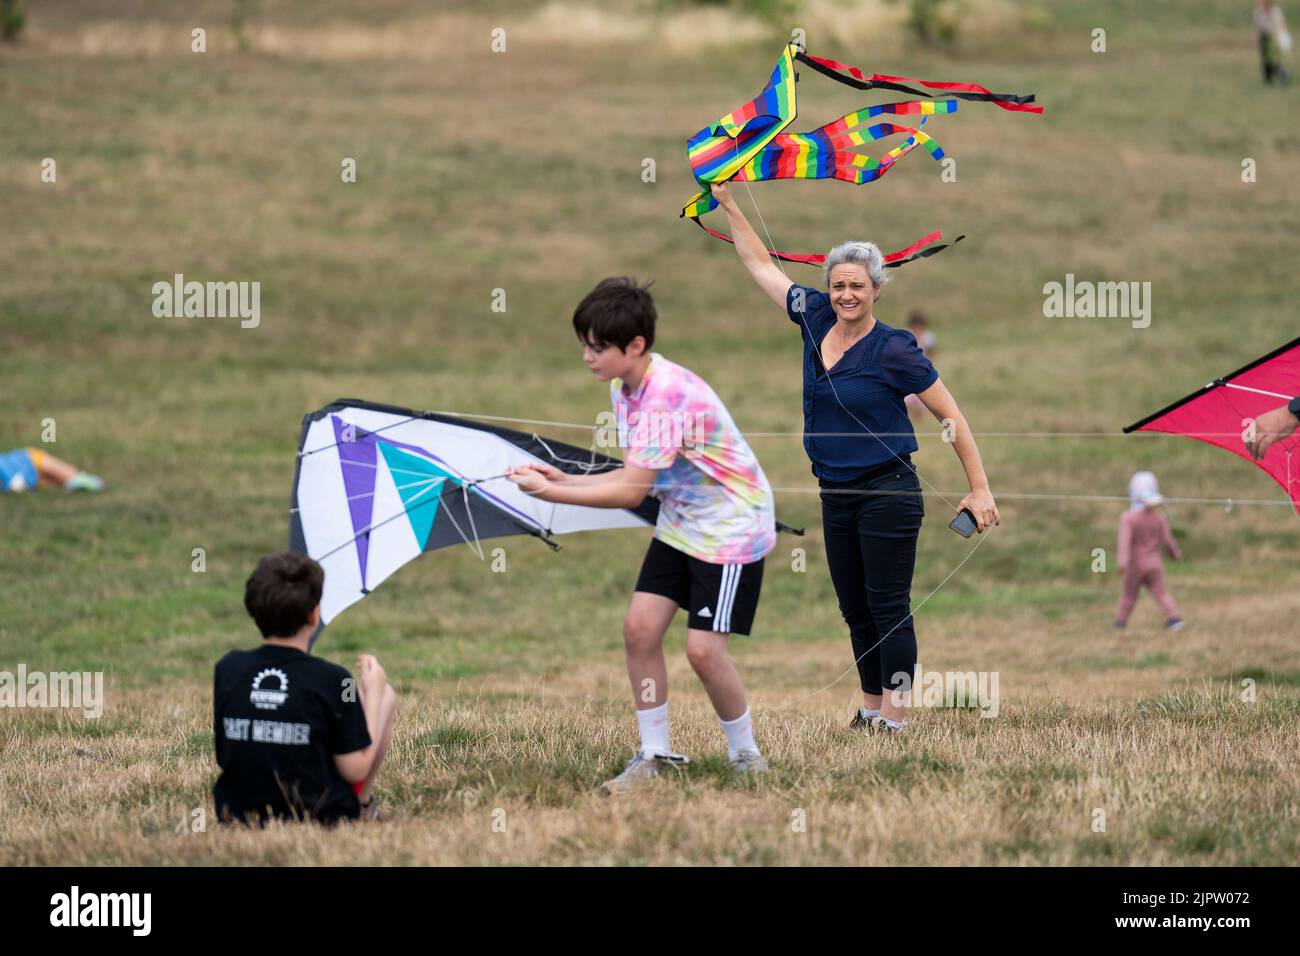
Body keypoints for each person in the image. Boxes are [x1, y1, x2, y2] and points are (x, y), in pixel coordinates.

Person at [711, 181, 999, 734]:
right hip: (834, 492)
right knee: (854, 608)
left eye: (857, 286)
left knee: (888, 607)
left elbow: (951, 417)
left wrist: (979, 486)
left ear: (876, 291)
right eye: (839, 285)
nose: (846, 294)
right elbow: (761, 266)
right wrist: (730, 206)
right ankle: (869, 709)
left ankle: (895, 717)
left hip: (888, 491)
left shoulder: (895, 349)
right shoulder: (813, 314)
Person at [507, 277, 776, 793]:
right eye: (583, 345)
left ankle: (747, 757)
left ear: (635, 346)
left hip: (730, 529)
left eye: (597, 347)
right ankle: (655, 754)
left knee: (703, 651)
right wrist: (565, 478)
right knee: (639, 631)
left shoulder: (664, 398)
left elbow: (632, 493)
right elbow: (643, 474)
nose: (587, 356)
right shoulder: (623, 387)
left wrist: (551, 494)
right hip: (682, 520)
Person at [213, 552, 397, 824]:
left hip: (237, 811)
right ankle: (361, 807)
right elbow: (355, 769)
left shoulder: (228, 668)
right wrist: (375, 691)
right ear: (314, 616)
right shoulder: (337, 679)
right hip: (319, 814)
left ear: (253, 610)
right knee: (386, 696)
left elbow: (225, 752)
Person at [1115, 472, 1184, 630]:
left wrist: (1122, 564)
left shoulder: (1128, 518)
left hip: (1134, 566)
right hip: (1154, 565)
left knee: (1129, 596)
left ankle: (1120, 622)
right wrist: (1175, 554)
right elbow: (1167, 540)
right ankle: (1174, 619)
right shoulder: (1158, 518)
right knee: (1161, 593)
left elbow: (1124, 542)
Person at [0, 447, 104, 492]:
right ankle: (82, 483)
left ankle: (85, 481)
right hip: (31, 479)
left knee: (70, 474)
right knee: (64, 481)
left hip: (30, 461)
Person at [903, 311, 937, 421]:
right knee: (908, 398)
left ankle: (919, 420)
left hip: (923, 370)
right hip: (909, 371)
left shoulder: (928, 338)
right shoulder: (907, 336)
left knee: (921, 399)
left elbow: (932, 353)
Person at [1256, 0, 1292, 85]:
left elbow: (1280, 24)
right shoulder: (1258, 12)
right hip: (1264, 37)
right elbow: (1258, 27)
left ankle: (1284, 75)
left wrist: (1277, 38)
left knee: (1273, 60)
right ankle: (1268, 81)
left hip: (1273, 37)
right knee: (1265, 60)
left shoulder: (1275, 11)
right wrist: (1257, 39)